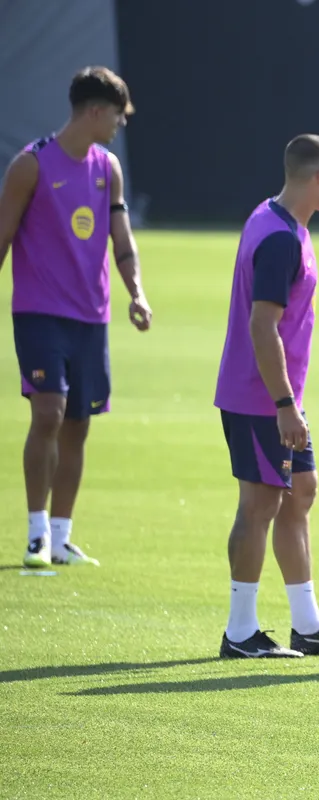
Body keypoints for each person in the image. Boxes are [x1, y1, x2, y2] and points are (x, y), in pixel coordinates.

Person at [213, 134, 319, 659]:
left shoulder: (276, 219)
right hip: (261, 397)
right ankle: (240, 633)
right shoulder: (280, 238)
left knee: (300, 491)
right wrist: (283, 405)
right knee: (260, 504)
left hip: (280, 397)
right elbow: (263, 326)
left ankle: (308, 624)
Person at [0, 66, 152, 569]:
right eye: (117, 116)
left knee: (78, 425)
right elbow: (3, 234)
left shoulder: (109, 168)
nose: (120, 125)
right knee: (48, 413)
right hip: (39, 312)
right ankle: (36, 534)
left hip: (92, 315)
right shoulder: (31, 165)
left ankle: (62, 538)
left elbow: (121, 239)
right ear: (95, 111)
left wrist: (136, 293)